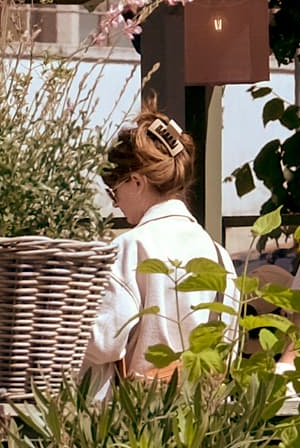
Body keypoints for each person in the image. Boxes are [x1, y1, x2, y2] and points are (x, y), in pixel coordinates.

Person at [89, 110, 237, 385]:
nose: (115, 203)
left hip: (142, 417)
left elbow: (103, 344)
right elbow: (230, 347)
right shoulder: (219, 255)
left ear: (136, 181)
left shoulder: (131, 247)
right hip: (205, 416)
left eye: (114, 191)